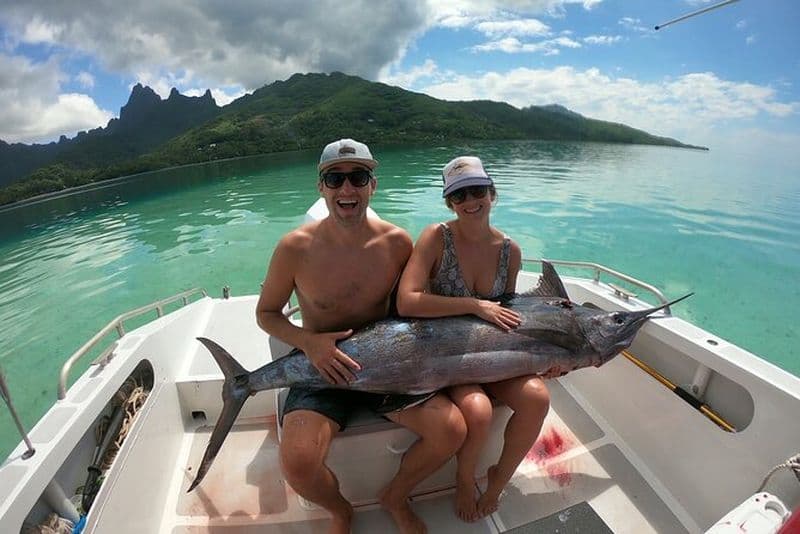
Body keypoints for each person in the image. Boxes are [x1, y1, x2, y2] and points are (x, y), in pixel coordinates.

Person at [255, 138, 467, 534]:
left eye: (358, 177)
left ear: (373, 185)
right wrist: (310, 342)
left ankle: (396, 495)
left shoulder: (398, 243)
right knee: (298, 462)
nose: (346, 189)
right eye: (335, 179)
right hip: (323, 371)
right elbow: (266, 314)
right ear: (321, 188)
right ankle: (340, 511)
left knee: (451, 429)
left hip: (391, 366)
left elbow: (418, 305)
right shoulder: (294, 248)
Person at [396, 156, 550, 522]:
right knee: (478, 411)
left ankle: (499, 477)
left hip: (495, 352)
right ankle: (464, 480)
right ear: (449, 203)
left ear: (492, 193)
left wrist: (543, 356)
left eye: (477, 191)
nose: (469, 201)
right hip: (448, 355)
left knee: (537, 397)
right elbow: (407, 301)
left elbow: (510, 312)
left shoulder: (510, 251)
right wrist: (475, 305)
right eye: (459, 195)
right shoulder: (437, 237)